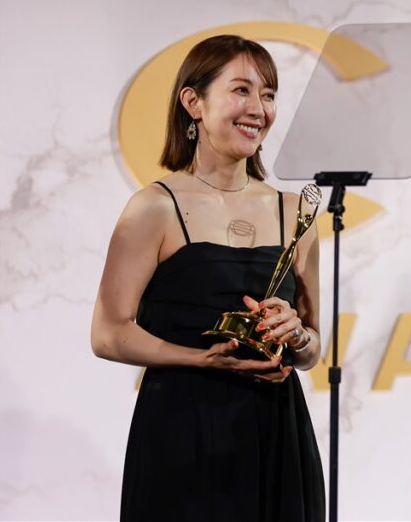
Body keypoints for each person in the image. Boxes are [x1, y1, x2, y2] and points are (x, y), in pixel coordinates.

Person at [91, 35, 325, 522]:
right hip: (183, 431)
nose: (258, 108)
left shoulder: (294, 213)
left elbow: (312, 349)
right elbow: (108, 333)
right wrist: (203, 359)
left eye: (268, 94)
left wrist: (297, 335)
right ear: (193, 102)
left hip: (277, 435)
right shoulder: (154, 207)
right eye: (241, 90)